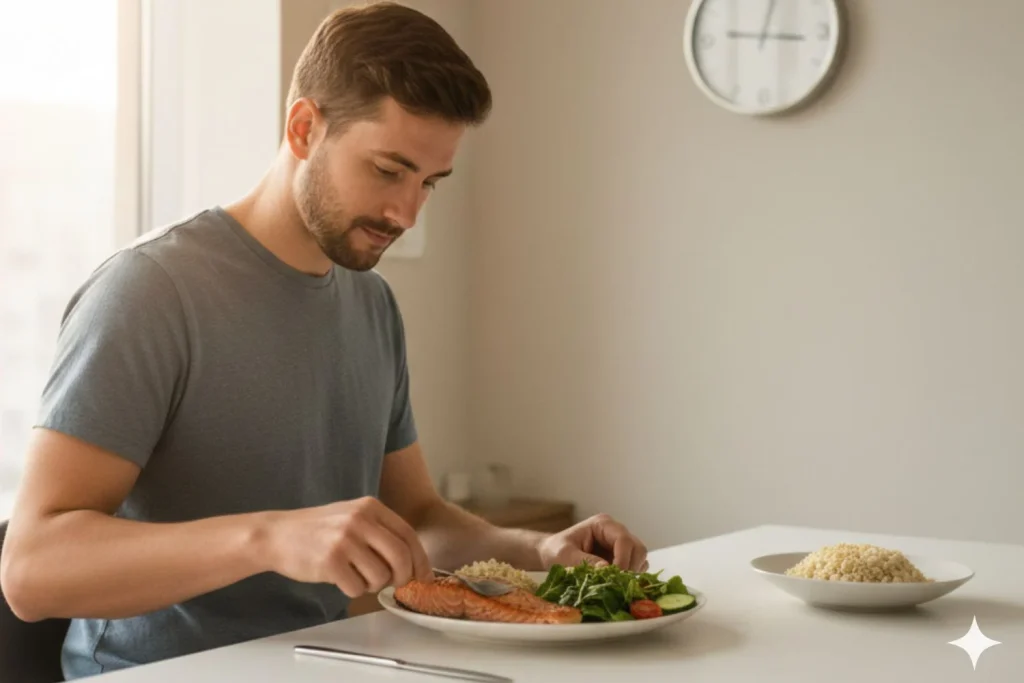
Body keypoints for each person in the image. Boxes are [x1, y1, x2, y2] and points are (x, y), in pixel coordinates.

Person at [0, 2, 649, 678]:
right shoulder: (150, 292)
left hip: (329, 663)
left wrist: (537, 552)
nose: (406, 212)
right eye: (388, 170)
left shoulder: (373, 305)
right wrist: (268, 537)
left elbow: (417, 517)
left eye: (429, 182)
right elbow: (30, 570)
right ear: (305, 128)